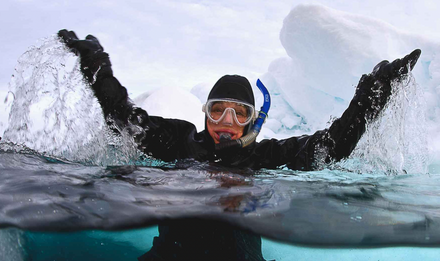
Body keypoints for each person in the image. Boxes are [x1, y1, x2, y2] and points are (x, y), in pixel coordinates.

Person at [58, 29, 421, 261]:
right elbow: (125, 119)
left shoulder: (264, 156)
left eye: (238, 113)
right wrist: (97, 64)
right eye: (218, 111)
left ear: (251, 120)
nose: (227, 124)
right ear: (205, 114)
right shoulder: (178, 141)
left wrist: (371, 96)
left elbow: (331, 146)